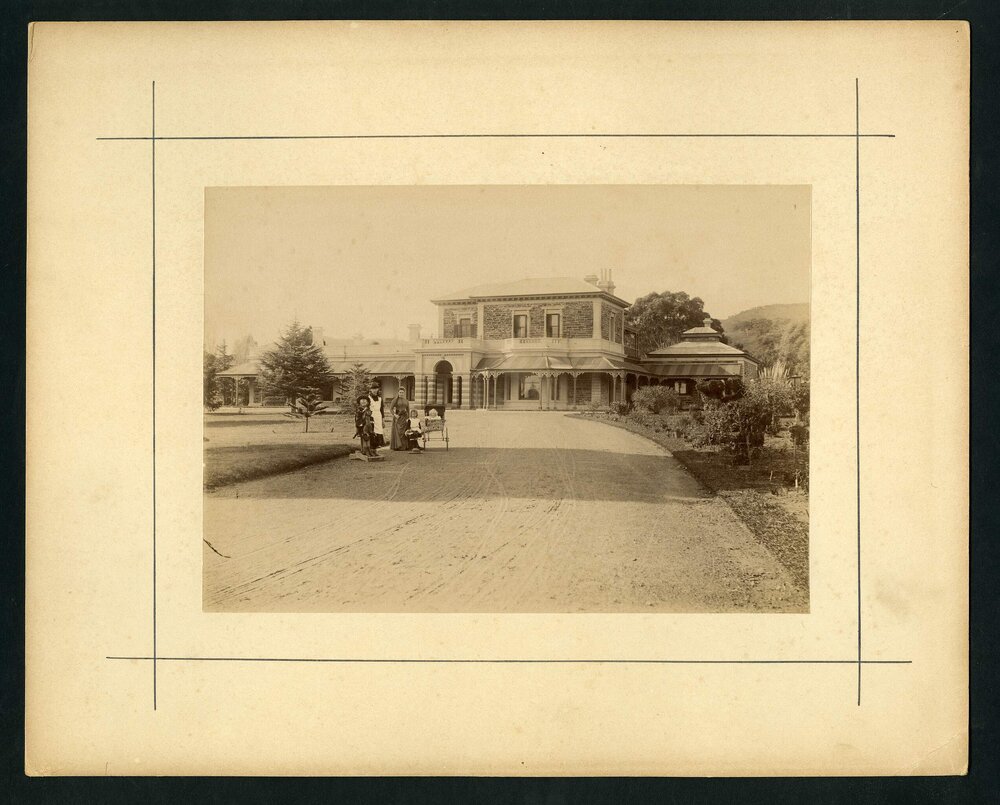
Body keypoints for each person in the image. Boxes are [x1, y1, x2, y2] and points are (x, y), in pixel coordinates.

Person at [368, 383, 385, 452]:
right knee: (372, 429)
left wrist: (383, 420)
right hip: (371, 415)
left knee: (379, 429)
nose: (374, 390)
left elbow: (382, 410)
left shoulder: (380, 399)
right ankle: (372, 446)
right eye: (373, 389)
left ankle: (378, 446)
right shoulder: (368, 398)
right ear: (370, 390)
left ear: (378, 389)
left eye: (376, 389)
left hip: (378, 415)